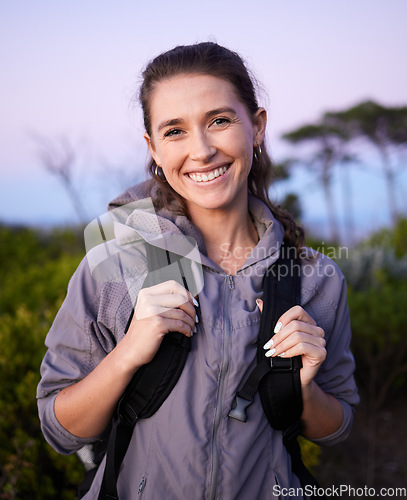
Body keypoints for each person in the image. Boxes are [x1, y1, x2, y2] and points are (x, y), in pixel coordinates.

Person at [37, 42, 359, 499]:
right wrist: (128, 352)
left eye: (220, 121)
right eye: (175, 131)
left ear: (258, 126)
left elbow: (336, 427)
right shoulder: (111, 266)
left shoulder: (316, 278)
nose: (202, 151)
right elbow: (60, 430)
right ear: (153, 147)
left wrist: (303, 385)